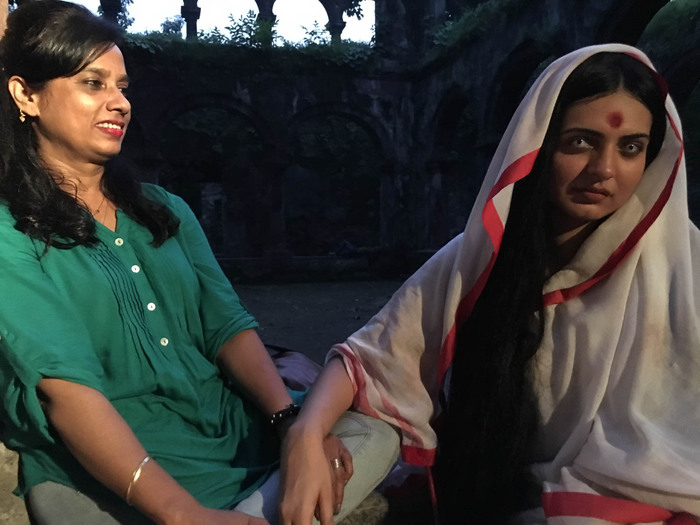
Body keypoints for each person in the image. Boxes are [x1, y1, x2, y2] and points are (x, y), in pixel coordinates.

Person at [0, 2, 398, 524]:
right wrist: (183, 514)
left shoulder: (164, 209)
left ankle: (264, 503)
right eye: (93, 84)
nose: (120, 103)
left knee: (376, 431)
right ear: (26, 95)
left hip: (227, 424)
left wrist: (290, 425)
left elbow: (226, 326)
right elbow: (64, 389)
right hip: (121, 455)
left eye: (123, 87)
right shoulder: (11, 230)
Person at [280, 44, 700, 524]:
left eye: (630, 148)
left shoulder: (681, 266)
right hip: (501, 495)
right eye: (580, 142)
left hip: (649, 497)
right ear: (538, 144)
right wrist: (304, 434)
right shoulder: (482, 257)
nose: (604, 169)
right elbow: (369, 358)